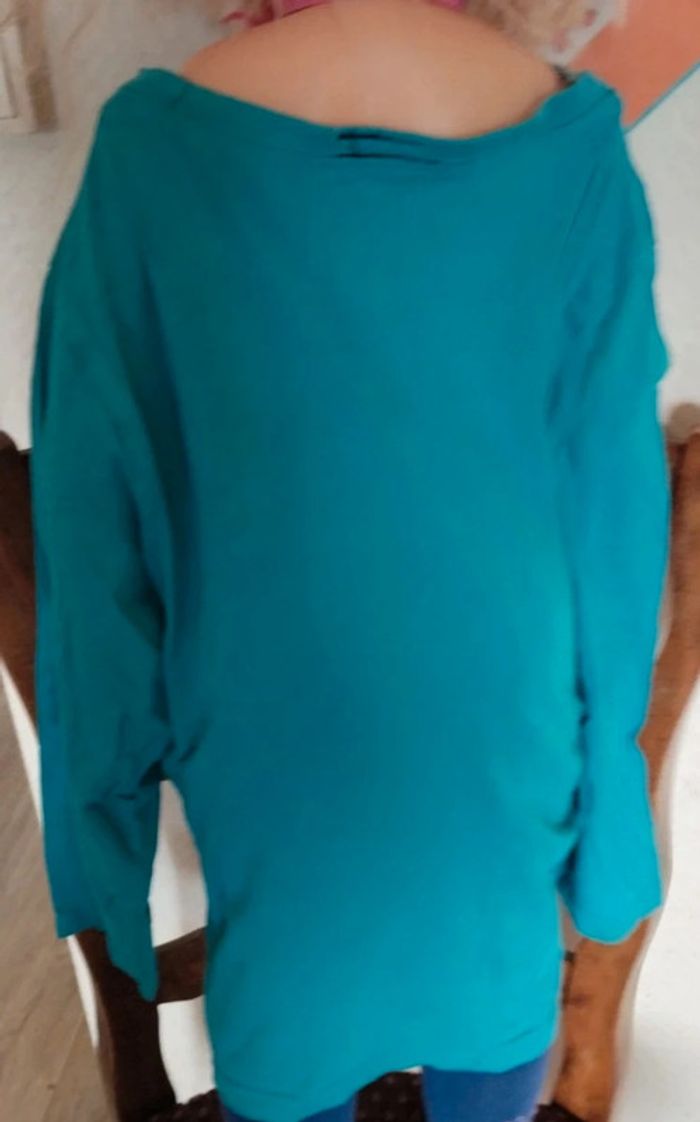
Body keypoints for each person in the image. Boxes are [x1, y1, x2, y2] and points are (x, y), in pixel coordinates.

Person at [31, 2, 669, 1122]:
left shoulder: (151, 147)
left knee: (289, 1026)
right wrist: (611, 814)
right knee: (495, 1006)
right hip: (500, 715)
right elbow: (613, 517)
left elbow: (94, 519)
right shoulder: (573, 146)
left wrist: (104, 819)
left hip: (266, 724)